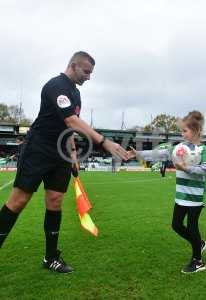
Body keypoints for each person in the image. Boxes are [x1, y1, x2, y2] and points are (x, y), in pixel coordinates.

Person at [0, 51, 129, 273]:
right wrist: (104, 142)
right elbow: (71, 119)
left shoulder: (76, 94)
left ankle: (51, 258)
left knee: (55, 201)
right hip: (38, 149)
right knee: (19, 201)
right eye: (86, 71)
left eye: (91, 73)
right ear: (73, 65)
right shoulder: (55, 85)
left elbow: (69, 127)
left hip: (60, 153)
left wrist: (73, 154)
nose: (89, 77)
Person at [129, 111, 206, 273]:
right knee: (176, 225)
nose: (182, 134)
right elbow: (159, 154)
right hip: (181, 195)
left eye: (185, 130)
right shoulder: (178, 148)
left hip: (195, 197)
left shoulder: (203, 150)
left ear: (196, 131)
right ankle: (199, 244)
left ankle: (198, 261)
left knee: (192, 227)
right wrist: (138, 154)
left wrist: (186, 168)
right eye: (182, 131)